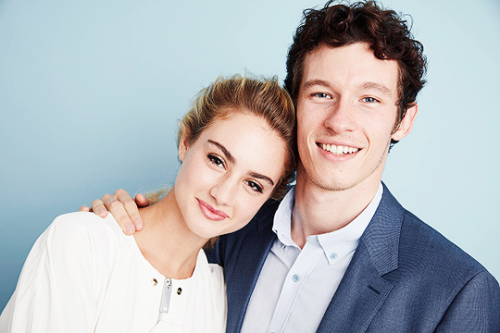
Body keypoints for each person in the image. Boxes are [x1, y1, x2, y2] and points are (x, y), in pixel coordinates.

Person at [83, 1, 500, 332]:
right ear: (294, 102)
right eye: (321, 94)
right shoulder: (230, 223)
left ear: (404, 119)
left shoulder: (460, 292)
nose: (340, 121)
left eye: (369, 99)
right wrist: (112, 231)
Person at [0, 74, 297, 332]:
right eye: (217, 160)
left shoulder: (215, 294)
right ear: (186, 142)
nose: (223, 194)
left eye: (253, 184)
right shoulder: (81, 243)